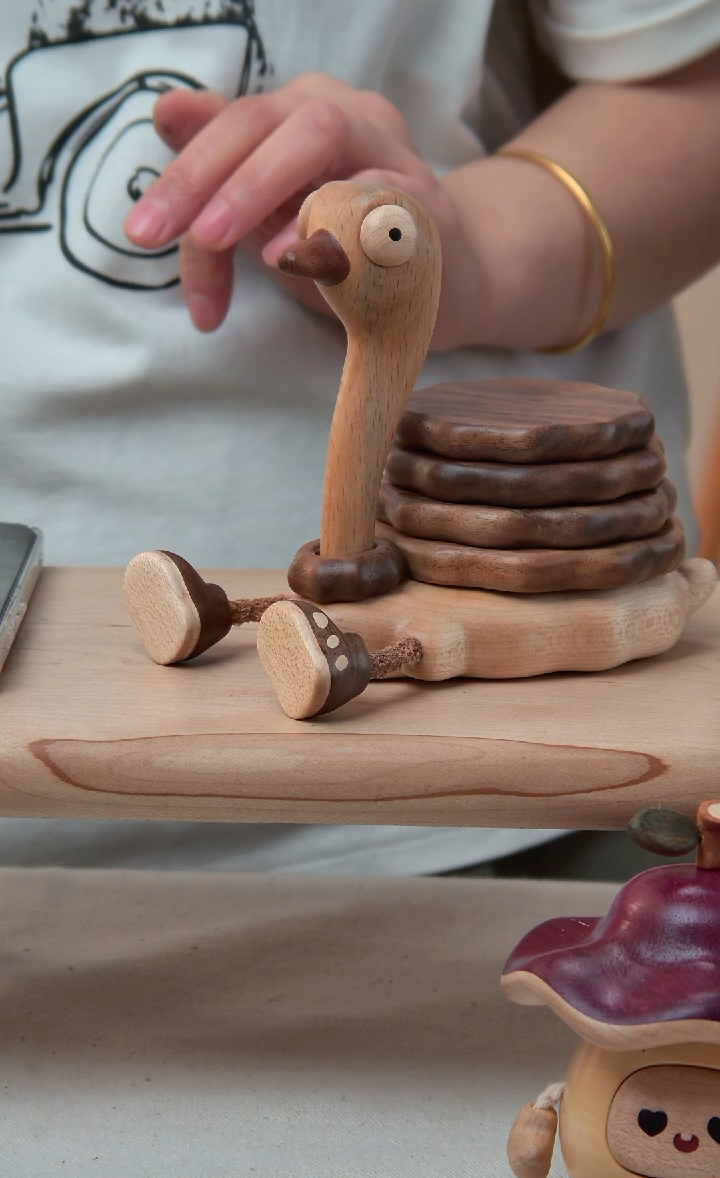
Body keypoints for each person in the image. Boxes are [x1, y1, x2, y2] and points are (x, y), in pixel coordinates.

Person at [1, 0, 719, 874]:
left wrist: (478, 250)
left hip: (485, 814)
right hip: (38, 752)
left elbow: (692, 85)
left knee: (436, 634)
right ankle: (218, 611)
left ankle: (344, 659)